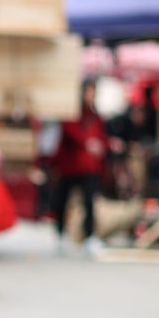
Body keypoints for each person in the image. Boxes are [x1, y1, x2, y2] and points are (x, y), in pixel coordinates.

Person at [51, 78, 110, 256]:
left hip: (89, 167)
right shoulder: (72, 112)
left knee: (89, 201)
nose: (90, 96)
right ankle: (60, 232)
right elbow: (70, 130)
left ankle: (90, 236)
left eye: (93, 92)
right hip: (70, 165)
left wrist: (103, 145)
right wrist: (88, 143)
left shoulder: (95, 115)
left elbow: (102, 136)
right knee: (62, 200)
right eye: (88, 91)